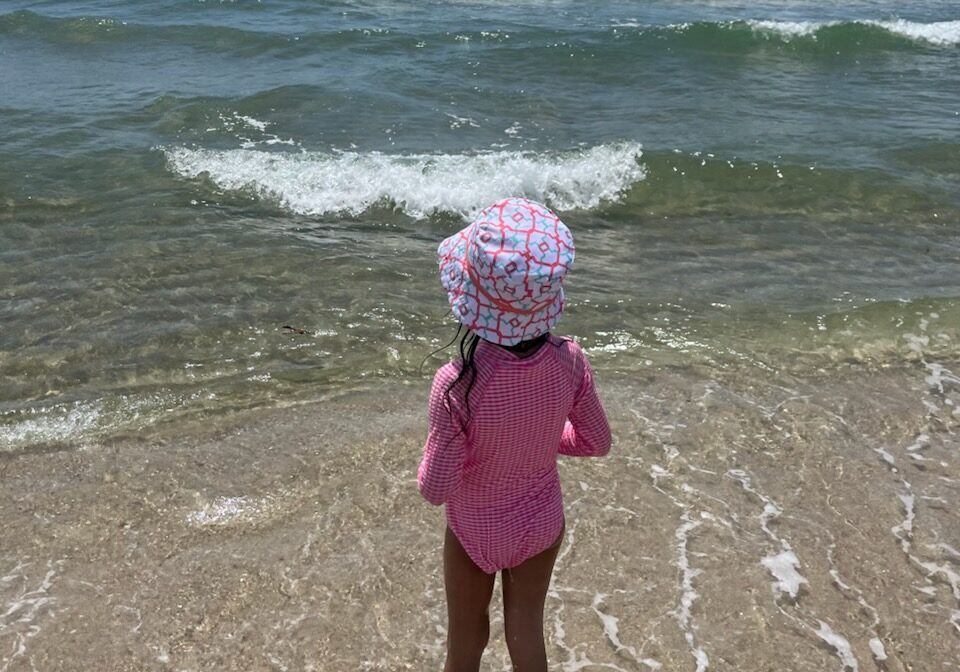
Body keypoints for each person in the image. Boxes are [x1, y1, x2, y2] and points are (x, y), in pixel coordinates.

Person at [418, 197, 612, 671]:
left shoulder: (457, 383)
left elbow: (434, 489)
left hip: (475, 527)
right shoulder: (570, 361)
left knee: (466, 639)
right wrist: (542, 440)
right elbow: (596, 442)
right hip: (541, 521)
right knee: (525, 630)